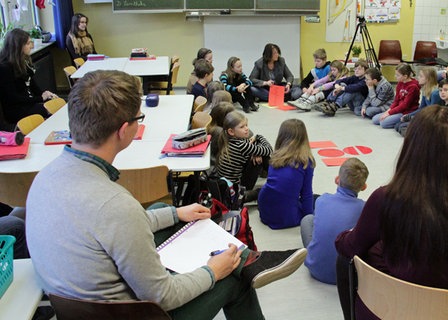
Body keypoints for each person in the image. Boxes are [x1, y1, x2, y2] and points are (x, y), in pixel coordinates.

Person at [26, 70, 307, 320]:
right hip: (131, 311)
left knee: (163, 208)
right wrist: (212, 271)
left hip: (76, 304)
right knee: (232, 281)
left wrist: (176, 212)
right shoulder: (114, 205)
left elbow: (109, 227)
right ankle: (242, 266)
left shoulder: (44, 177)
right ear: (125, 131)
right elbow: (163, 296)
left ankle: (242, 259)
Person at [335, 106, 448, 320]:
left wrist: (345, 235)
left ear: (410, 145)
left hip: (386, 310)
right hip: (442, 312)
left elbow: (348, 247)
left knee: (346, 258)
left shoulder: (386, 198)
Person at [301, 158, 368, 285]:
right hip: (346, 275)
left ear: (337, 179)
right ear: (363, 187)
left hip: (315, 269)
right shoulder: (364, 208)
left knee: (307, 220)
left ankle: (316, 254)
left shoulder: (322, 200)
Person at [258, 119, 315, 229]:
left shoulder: (275, 156)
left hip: (264, 208)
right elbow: (306, 194)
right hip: (287, 217)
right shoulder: (306, 161)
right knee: (318, 201)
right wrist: (309, 219)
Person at [0, 28, 56, 125]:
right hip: (17, 110)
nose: (31, 46)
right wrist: (40, 99)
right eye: (28, 43)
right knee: (52, 110)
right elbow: (14, 98)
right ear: (18, 46)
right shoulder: (5, 68)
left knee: (57, 102)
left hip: (28, 103)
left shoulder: (22, 61)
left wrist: (45, 94)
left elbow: (33, 86)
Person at [216, 111, 273, 191]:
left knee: (258, 150)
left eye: (246, 125)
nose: (247, 129)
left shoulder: (228, 138)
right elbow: (269, 150)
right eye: (242, 127)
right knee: (263, 155)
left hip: (226, 182)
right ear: (231, 131)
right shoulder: (241, 145)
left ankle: (273, 175)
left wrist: (256, 152)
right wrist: (259, 137)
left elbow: (251, 145)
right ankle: (277, 178)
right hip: (235, 187)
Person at [395, 66, 442, 135]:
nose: (418, 78)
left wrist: (412, 118)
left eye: (421, 76)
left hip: (431, 119)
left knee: (402, 127)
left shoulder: (435, 93)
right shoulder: (425, 89)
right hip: (425, 115)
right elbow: (421, 108)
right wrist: (408, 115)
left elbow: (432, 114)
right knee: (397, 125)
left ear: (428, 79)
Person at [373, 63, 420, 128]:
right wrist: (388, 111)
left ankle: (404, 121)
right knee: (375, 119)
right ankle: (394, 119)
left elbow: (405, 106)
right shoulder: (400, 83)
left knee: (383, 123)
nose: (395, 76)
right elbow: (396, 100)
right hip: (398, 109)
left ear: (405, 76)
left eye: (397, 75)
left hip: (406, 112)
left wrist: (389, 113)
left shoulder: (413, 87)